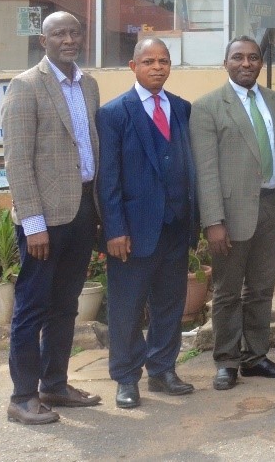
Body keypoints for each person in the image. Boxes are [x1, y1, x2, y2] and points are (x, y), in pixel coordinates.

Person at [1, 11, 103, 425]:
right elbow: (17, 161)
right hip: (44, 218)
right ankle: (22, 396)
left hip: (81, 210)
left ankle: (55, 385)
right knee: (32, 306)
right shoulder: (26, 86)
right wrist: (33, 223)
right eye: (58, 33)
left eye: (74, 32)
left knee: (66, 304)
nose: (68, 39)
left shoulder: (89, 85)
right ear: (43, 41)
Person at [97, 37, 197, 410]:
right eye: (149, 61)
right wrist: (114, 229)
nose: (157, 67)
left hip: (175, 226)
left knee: (170, 304)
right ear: (133, 66)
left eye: (164, 61)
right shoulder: (114, 113)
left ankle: (163, 369)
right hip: (133, 232)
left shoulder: (182, 108)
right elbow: (108, 178)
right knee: (126, 307)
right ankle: (126, 378)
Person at [191, 36, 275, 391]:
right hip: (231, 214)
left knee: (262, 288)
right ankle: (227, 361)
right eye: (238, 57)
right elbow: (205, 170)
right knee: (227, 291)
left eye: (253, 57)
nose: (246, 63)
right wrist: (213, 221)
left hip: (273, 206)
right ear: (226, 63)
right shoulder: (206, 107)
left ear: (261, 63)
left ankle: (256, 356)